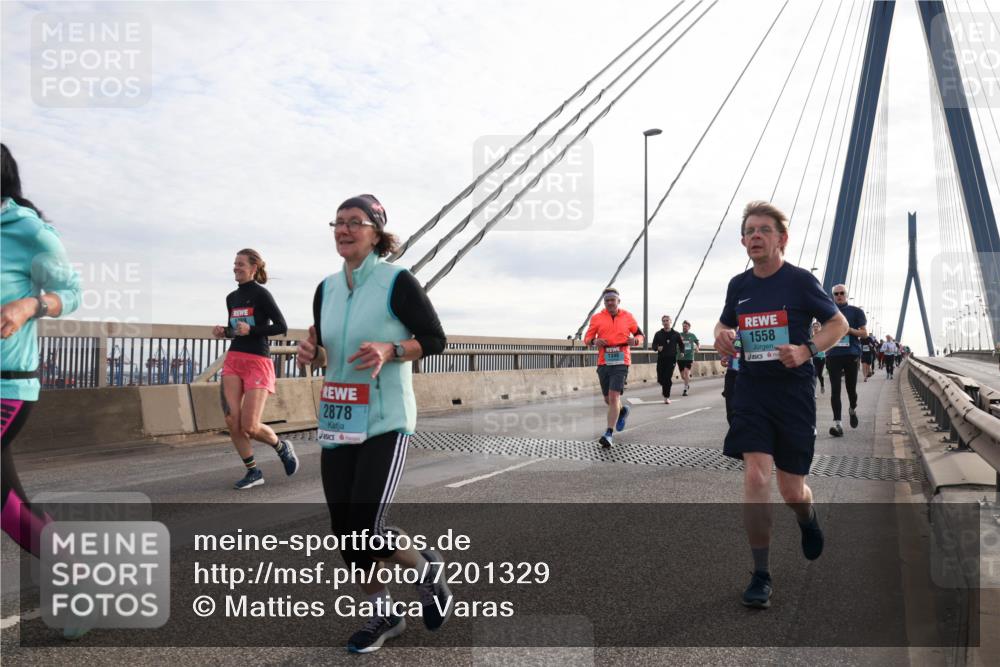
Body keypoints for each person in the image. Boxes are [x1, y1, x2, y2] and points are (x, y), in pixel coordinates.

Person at [296, 194, 449, 653]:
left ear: (376, 232)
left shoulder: (396, 282)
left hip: (385, 418)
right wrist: (313, 355)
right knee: (346, 532)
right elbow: (329, 351)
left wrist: (392, 349)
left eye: (355, 222)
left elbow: (435, 339)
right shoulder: (325, 289)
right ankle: (384, 614)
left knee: (365, 525)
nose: (344, 230)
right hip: (339, 419)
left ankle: (425, 570)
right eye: (338, 222)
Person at [714, 200, 848, 609]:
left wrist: (807, 350)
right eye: (749, 231)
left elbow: (838, 323)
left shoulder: (801, 282)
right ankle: (761, 573)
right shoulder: (739, 286)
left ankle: (808, 516)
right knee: (756, 476)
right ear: (743, 241)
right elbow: (724, 323)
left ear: (782, 238)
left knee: (792, 491)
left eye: (764, 230)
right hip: (750, 389)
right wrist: (721, 335)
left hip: (792, 395)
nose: (755, 236)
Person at [1, 143, 82, 559]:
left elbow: (72, 293)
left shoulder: (29, 233)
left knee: (6, 504)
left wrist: (29, 305)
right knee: (7, 500)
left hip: (7, 386)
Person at [212, 249, 298, 489]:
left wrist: (252, 330)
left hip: (257, 362)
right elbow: (235, 330)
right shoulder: (231, 298)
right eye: (234, 263)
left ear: (253, 267)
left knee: (249, 426)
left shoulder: (261, 294)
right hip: (234, 359)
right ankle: (253, 471)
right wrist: (224, 332)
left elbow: (281, 326)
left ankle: (281, 446)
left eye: (240, 264)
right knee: (232, 420)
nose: (236, 267)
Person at [584, 287, 643, 448]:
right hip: (604, 361)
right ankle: (622, 411)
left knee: (613, 396)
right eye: (607, 300)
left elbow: (640, 335)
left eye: (613, 300)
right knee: (608, 399)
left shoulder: (628, 316)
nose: (610, 302)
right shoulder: (597, 318)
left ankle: (608, 434)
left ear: (618, 301)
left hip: (621, 361)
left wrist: (636, 341)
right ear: (604, 302)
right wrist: (594, 341)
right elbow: (587, 338)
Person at [824, 285, 867, 438]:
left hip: (851, 354)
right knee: (835, 390)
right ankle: (838, 424)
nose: (839, 295)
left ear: (847, 295)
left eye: (842, 293)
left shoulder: (856, 311)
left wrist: (848, 330)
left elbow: (864, 333)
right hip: (833, 355)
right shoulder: (827, 311)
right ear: (833, 296)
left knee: (851, 389)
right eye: (836, 294)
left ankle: (852, 409)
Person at [651, 314, 684, 404]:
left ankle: (666, 396)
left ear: (670, 322)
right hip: (661, 359)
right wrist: (657, 348)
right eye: (664, 321)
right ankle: (665, 387)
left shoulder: (676, 334)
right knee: (661, 379)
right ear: (662, 323)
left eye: (667, 320)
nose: (665, 322)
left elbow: (681, 344)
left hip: (671, 359)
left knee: (667, 378)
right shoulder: (658, 334)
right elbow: (653, 345)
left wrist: (682, 352)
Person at [721, 330, 741, 425]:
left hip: (749, 374)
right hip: (732, 373)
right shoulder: (735, 333)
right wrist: (725, 357)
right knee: (730, 409)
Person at [678, 320, 699, 396]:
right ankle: (687, 383)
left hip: (689, 356)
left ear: (689, 327)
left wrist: (697, 348)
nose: (684, 327)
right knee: (682, 376)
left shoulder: (692, 335)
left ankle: (685, 389)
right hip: (680, 357)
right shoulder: (679, 335)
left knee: (686, 373)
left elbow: (697, 342)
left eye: (686, 326)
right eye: (683, 326)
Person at [810, 321, 826, 397]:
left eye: (817, 326)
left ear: (820, 328)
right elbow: (812, 350)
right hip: (815, 358)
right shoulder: (811, 337)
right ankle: (814, 392)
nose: (815, 328)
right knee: (815, 374)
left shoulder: (823, 337)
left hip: (822, 358)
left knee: (820, 375)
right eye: (814, 327)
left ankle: (822, 385)